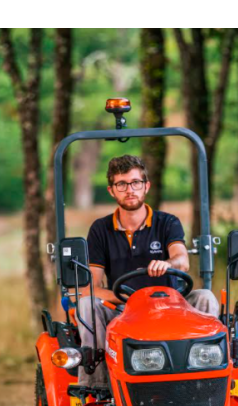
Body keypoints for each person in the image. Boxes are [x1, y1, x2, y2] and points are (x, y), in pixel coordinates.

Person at [77, 154, 219, 387]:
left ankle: (206, 379)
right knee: (86, 304)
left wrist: (168, 264)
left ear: (146, 187)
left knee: (205, 297)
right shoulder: (100, 229)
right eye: (121, 184)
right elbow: (90, 287)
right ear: (112, 190)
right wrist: (131, 299)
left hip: (171, 307)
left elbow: (182, 260)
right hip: (123, 310)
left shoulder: (167, 222)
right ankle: (99, 387)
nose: (129, 190)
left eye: (135, 183)